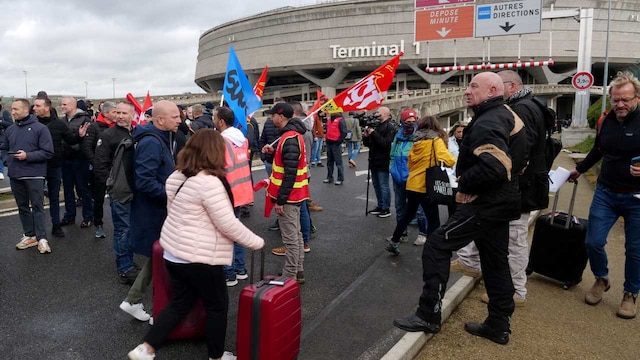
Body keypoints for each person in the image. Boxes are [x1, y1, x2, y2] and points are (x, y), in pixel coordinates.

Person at [392, 72, 527, 345]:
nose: (467, 91)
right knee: (495, 261)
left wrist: (466, 182)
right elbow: (523, 157)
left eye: (474, 86)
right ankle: (498, 325)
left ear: (492, 90)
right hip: (503, 202)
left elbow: (497, 166)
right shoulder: (507, 114)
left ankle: (428, 314)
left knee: (436, 245)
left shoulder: (489, 120)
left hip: (486, 203)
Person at [127, 129, 263, 360]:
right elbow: (227, 224)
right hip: (200, 257)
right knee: (217, 306)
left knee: (181, 303)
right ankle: (217, 356)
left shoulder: (177, 176)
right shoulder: (209, 183)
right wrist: (256, 242)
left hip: (174, 252)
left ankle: (146, 348)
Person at [451, 70, 551, 306]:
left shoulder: (521, 109)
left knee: (514, 239)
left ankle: (516, 291)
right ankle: (472, 263)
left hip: (520, 188)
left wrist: (498, 177)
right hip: (521, 185)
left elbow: (518, 152)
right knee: (492, 228)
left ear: (511, 86)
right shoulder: (525, 106)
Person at [569, 71, 640, 320]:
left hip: (637, 199)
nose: (620, 105)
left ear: (637, 98)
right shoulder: (605, 120)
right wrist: (579, 169)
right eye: (616, 100)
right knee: (592, 241)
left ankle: (630, 294)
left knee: (635, 250)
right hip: (606, 192)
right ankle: (602, 279)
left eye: (626, 100)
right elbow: (599, 150)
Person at [120, 100, 182, 322]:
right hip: (154, 211)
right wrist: (173, 195)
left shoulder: (160, 138)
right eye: (175, 117)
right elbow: (145, 182)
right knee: (165, 258)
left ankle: (133, 300)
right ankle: (160, 312)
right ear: (160, 119)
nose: (179, 120)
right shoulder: (152, 142)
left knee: (160, 257)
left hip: (157, 210)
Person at [385, 115, 455, 253]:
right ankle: (432, 250)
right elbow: (447, 159)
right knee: (433, 219)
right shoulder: (435, 140)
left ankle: (394, 241)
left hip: (412, 184)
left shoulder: (416, 141)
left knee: (408, 215)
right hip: (426, 186)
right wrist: (453, 161)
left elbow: (410, 163)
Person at [262, 103, 309, 283]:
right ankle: (298, 270)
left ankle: (290, 275)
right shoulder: (291, 137)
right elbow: (287, 163)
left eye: (273, 115)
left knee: (290, 239)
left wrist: (280, 200)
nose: (271, 118)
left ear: (280, 116)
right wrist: (274, 153)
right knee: (295, 235)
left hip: (289, 196)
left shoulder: (289, 138)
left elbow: (290, 172)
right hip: (295, 194)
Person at [94, 102, 138, 285]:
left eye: (124, 113)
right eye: (117, 112)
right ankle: (125, 268)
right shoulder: (107, 135)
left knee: (131, 228)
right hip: (119, 192)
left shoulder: (136, 133)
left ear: (132, 115)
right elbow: (100, 165)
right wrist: (111, 185)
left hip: (136, 190)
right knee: (122, 229)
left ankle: (129, 262)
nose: (120, 116)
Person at [2, 99, 54, 253]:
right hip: (15, 174)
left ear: (26, 110)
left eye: (16, 109)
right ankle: (29, 235)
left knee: (37, 207)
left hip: (34, 175)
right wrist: (7, 161)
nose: (13, 112)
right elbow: (3, 149)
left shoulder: (41, 128)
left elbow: (48, 152)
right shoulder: (10, 130)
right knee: (22, 207)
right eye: (12, 109)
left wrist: (27, 156)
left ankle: (42, 238)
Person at [33, 97, 88, 238]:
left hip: (55, 165)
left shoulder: (59, 124)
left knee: (54, 196)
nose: (34, 108)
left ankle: (56, 225)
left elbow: (70, 139)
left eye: (37, 106)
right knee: (36, 199)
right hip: (36, 165)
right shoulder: (33, 123)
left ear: (47, 108)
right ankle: (35, 231)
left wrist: (80, 136)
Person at [213, 106, 254, 287]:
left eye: (214, 117)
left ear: (221, 121)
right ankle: (240, 269)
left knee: (224, 236)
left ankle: (229, 274)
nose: (212, 120)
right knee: (235, 232)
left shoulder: (221, 142)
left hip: (226, 194)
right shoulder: (242, 140)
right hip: (241, 192)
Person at [389, 109, 429, 241]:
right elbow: (393, 154)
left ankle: (423, 233)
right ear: (402, 121)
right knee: (399, 206)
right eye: (408, 121)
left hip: (414, 178)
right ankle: (402, 233)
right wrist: (392, 169)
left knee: (418, 208)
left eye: (413, 121)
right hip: (398, 177)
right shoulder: (398, 135)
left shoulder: (420, 136)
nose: (411, 124)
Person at [83, 101, 117, 239]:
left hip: (115, 170)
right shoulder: (94, 127)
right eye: (114, 112)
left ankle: (119, 225)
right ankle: (99, 224)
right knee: (98, 199)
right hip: (100, 171)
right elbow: (87, 148)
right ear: (106, 113)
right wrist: (97, 164)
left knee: (117, 199)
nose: (117, 115)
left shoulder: (118, 128)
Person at [59, 97, 94, 228]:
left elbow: (88, 140)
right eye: (61, 104)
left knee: (83, 189)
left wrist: (77, 148)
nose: (62, 106)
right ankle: (69, 216)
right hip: (65, 159)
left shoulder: (84, 119)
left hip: (80, 159)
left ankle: (88, 216)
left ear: (73, 105)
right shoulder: (62, 121)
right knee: (68, 189)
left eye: (64, 104)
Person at [362, 106, 396, 218]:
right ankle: (380, 205)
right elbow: (369, 144)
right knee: (376, 185)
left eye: (378, 112)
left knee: (383, 185)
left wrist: (374, 133)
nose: (376, 114)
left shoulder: (389, 127)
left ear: (385, 114)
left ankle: (386, 208)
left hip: (383, 160)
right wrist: (366, 136)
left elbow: (386, 144)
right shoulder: (377, 126)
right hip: (373, 159)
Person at [322, 112, 347, 185]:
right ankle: (329, 177)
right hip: (329, 142)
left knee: (338, 162)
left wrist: (339, 141)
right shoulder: (329, 120)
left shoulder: (340, 120)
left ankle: (340, 178)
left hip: (336, 143)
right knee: (329, 162)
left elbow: (344, 132)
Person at [0, 103, 13, 180]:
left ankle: (1, 171)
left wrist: (1, 122)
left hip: (2, 137)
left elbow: (10, 124)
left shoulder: (4, 112)